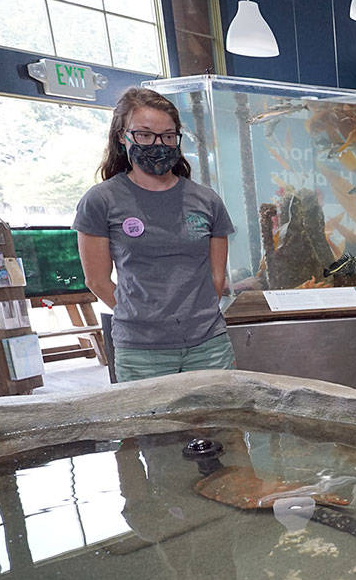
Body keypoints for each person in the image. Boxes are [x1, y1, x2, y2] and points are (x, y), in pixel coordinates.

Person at [74, 87, 236, 383]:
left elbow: (216, 278)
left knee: (219, 426)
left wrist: (193, 317)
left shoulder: (207, 201)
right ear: (123, 137)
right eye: (145, 135)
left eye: (168, 136)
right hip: (141, 349)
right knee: (153, 428)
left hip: (207, 343)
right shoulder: (101, 200)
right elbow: (96, 280)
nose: (158, 144)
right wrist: (142, 317)